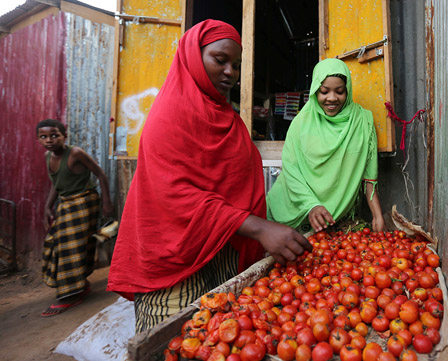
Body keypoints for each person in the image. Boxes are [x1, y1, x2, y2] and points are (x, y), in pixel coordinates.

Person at [106, 20, 310, 334]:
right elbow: (173, 195)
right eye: (220, 60)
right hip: (174, 256)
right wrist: (257, 226)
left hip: (221, 247)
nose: (231, 71)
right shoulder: (169, 116)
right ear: (192, 56)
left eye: (237, 65)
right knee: (176, 341)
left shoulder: (228, 119)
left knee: (221, 336)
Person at [267, 58, 385, 233]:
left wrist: (377, 216)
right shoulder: (301, 122)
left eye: (339, 91)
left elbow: (369, 176)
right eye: (324, 91)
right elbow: (291, 171)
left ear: (348, 90)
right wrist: (311, 205)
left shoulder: (362, 121)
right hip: (293, 212)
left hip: (334, 219)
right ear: (315, 90)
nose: (332, 98)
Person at [36, 119, 114, 317]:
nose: (49, 140)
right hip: (66, 203)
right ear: (38, 140)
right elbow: (57, 182)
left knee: (71, 247)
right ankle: (79, 284)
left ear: (64, 136)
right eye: (43, 137)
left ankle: (71, 295)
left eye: (55, 135)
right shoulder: (48, 157)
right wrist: (47, 206)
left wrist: (106, 201)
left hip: (83, 202)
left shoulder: (76, 153)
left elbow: (100, 174)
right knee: (54, 244)